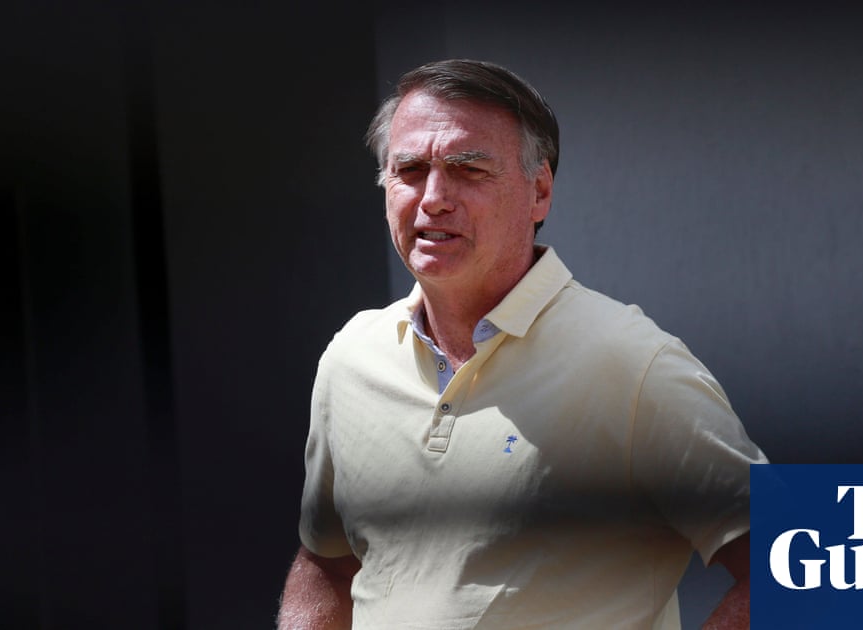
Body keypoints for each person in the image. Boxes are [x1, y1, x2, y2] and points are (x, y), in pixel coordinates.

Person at [278, 59, 766, 629]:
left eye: (469, 169)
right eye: (409, 169)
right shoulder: (352, 357)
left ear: (540, 191)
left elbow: (812, 564)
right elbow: (329, 563)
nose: (433, 197)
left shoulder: (632, 366)